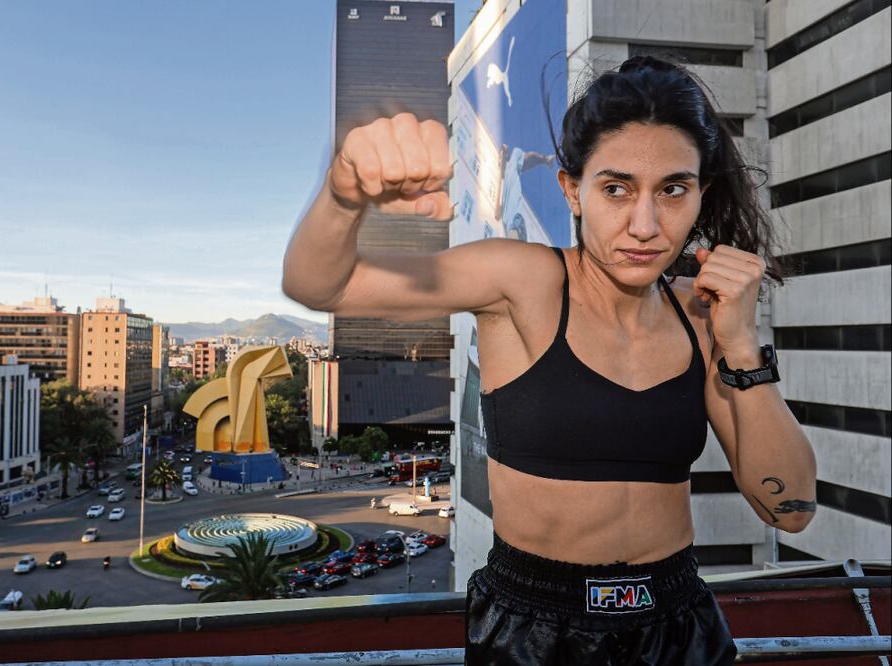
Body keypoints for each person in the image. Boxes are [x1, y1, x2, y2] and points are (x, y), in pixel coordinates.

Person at [282, 55, 817, 665]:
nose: (645, 225)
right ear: (572, 190)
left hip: (677, 622)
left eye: (673, 190)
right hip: (536, 629)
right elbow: (319, 285)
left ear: (701, 195)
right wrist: (343, 195)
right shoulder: (524, 281)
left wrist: (742, 345)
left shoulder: (704, 316)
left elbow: (790, 510)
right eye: (616, 189)